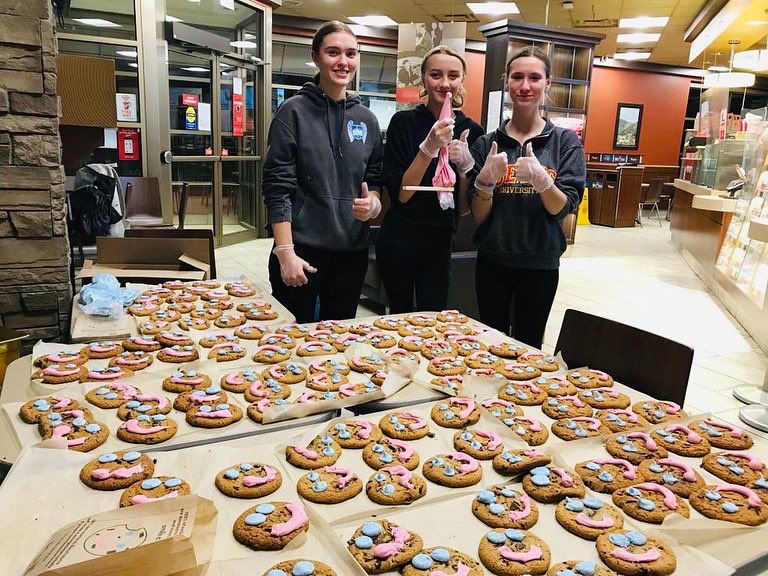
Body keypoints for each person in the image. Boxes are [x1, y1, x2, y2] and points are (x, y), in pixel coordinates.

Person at [263, 21, 383, 323]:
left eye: (351, 54)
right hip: (302, 249)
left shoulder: (367, 119)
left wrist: (373, 205)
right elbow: (277, 186)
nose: (343, 62)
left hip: (351, 251)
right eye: (333, 52)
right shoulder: (292, 112)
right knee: (292, 342)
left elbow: (376, 178)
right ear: (317, 57)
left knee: (340, 342)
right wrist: (285, 252)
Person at [469, 46, 585, 348]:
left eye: (534, 78)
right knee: (490, 345)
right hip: (493, 261)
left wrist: (543, 181)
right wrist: (484, 185)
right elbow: (479, 216)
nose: (525, 86)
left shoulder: (564, 142)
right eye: (517, 77)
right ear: (506, 81)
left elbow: (563, 209)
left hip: (540, 264)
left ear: (547, 83)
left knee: (529, 345)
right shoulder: (488, 143)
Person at [375, 46, 484, 314]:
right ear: (423, 79)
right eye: (436, 75)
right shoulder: (403, 123)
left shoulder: (473, 130)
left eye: (453, 76)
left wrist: (464, 167)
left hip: (440, 239)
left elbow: (464, 207)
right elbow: (402, 194)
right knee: (399, 316)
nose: (445, 83)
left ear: (462, 80)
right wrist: (428, 148)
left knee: (433, 316)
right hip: (400, 236)